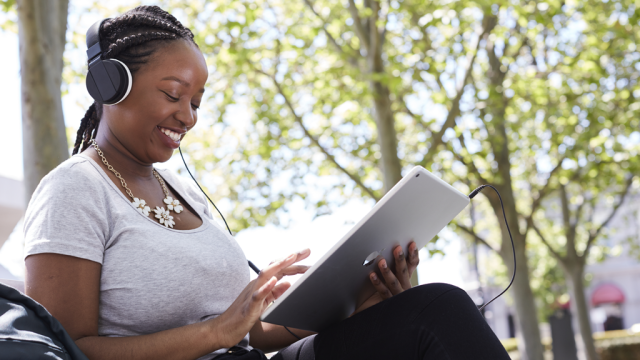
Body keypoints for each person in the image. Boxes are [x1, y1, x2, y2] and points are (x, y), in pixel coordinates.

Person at [23, 6, 510, 360]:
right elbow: (67, 349)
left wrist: (355, 304)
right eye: (174, 94)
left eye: (197, 101)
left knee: (432, 309)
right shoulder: (74, 190)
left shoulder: (184, 193)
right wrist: (214, 333)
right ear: (111, 86)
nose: (188, 116)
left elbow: (255, 333)